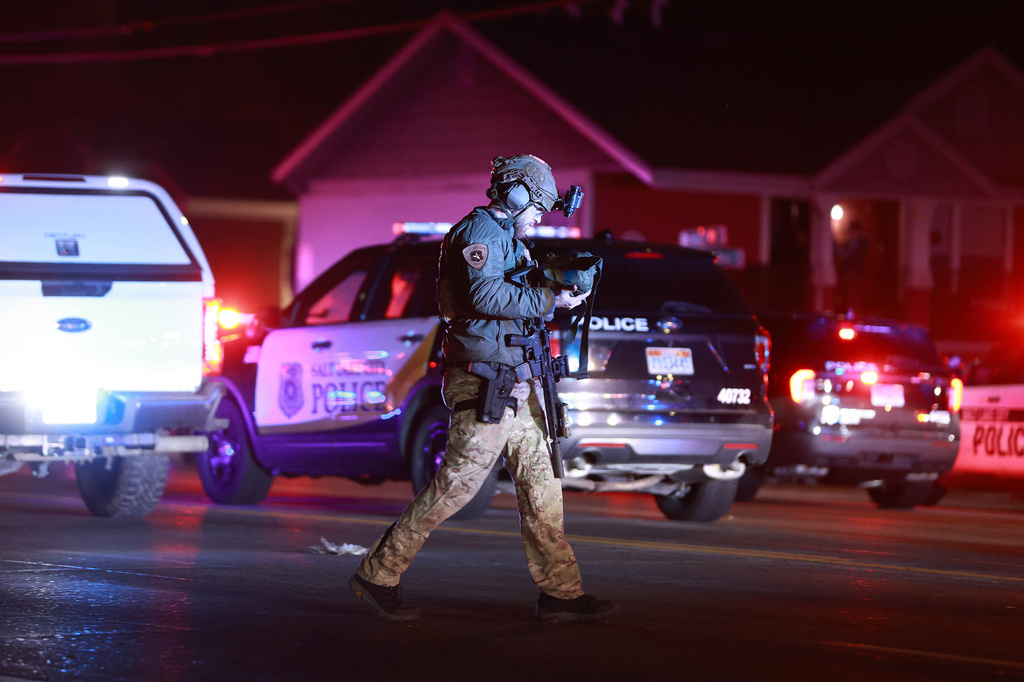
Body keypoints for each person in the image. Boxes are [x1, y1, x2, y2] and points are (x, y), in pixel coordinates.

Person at [349, 154, 617, 624]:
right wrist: (550, 298)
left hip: (521, 383)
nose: (539, 215)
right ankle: (378, 574)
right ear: (515, 193)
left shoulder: (512, 239)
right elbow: (484, 296)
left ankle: (561, 595)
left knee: (543, 487)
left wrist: (556, 287)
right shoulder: (478, 234)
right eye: (537, 204)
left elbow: (516, 297)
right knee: (458, 484)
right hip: (486, 381)